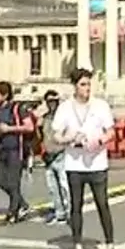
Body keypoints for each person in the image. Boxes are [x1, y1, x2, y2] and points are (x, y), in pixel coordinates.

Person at [52, 68, 119, 249]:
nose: (87, 88)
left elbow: (111, 132)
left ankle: (110, 245)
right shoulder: (65, 108)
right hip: (75, 163)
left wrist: (99, 141)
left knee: (102, 204)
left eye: (89, 84)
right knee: (76, 206)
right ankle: (77, 246)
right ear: (74, 86)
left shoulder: (100, 105)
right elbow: (56, 135)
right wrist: (69, 138)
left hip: (97, 162)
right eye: (83, 84)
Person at [0, 81, 34, 223]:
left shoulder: (17, 108)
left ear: (5, 94)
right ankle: (22, 203)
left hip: (16, 148)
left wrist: (9, 129)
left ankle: (12, 211)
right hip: (2, 149)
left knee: (14, 182)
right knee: (0, 180)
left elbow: (29, 127)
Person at [35, 90, 70, 226]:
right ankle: (59, 212)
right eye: (49, 102)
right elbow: (40, 136)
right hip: (48, 155)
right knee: (52, 187)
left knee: (64, 185)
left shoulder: (63, 118)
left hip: (61, 154)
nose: (52, 104)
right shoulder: (44, 118)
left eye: (54, 101)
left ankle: (70, 212)